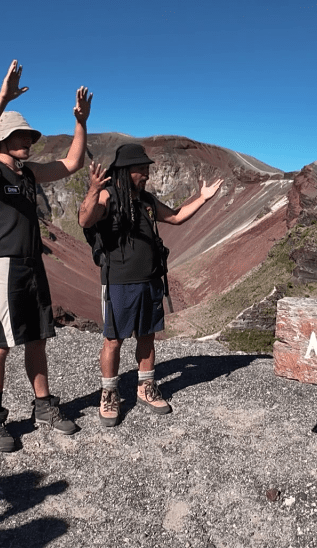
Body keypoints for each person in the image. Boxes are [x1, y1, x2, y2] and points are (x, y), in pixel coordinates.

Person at [0, 60, 92, 452]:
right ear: (0, 142)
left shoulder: (29, 174)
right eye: (18, 135)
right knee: (0, 343)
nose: (28, 140)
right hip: (2, 266)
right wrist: (3, 97)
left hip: (32, 265)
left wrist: (81, 123)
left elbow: (71, 164)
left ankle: (42, 406)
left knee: (37, 338)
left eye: (28, 134)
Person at [78, 144, 222, 427]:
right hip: (119, 282)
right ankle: (108, 393)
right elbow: (85, 218)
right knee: (113, 339)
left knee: (147, 336)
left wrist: (203, 198)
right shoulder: (108, 196)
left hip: (150, 280)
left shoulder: (146, 200)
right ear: (125, 171)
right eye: (140, 169)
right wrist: (94, 189)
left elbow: (177, 217)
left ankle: (145, 387)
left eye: (146, 168)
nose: (146, 173)